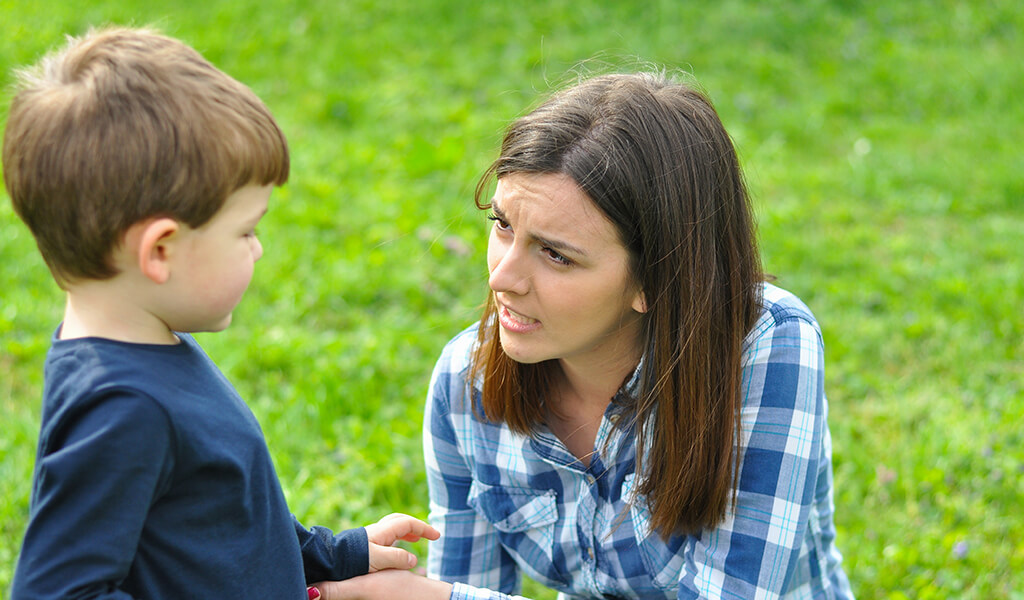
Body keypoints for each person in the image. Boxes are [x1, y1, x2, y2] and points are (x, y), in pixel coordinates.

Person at [314, 72, 855, 599]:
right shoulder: (466, 383)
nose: (501, 277)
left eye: (555, 254)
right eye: (503, 225)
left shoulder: (764, 348)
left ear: (657, 280)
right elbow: (473, 580)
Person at [3, 27, 438, 600]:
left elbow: (213, 523)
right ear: (160, 250)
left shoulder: (144, 348)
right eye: (246, 231)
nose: (258, 248)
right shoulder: (125, 410)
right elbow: (57, 592)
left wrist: (332, 555)